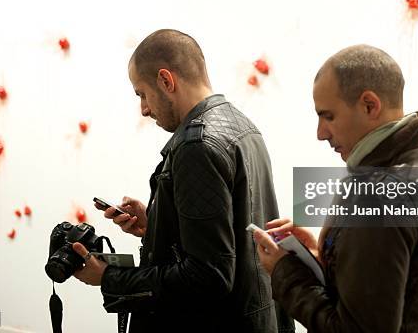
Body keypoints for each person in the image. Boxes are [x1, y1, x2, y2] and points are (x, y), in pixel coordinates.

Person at [71, 29, 294, 333]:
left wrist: (109, 277)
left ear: (166, 81)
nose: (144, 109)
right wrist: (157, 226)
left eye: (142, 94)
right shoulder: (243, 127)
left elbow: (208, 276)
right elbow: (232, 239)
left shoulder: (196, 145)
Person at [253, 44, 418, 332]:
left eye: (328, 116)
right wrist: (325, 255)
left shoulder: (377, 196)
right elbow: (405, 287)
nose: (320, 133)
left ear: (369, 105)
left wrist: (284, 272)